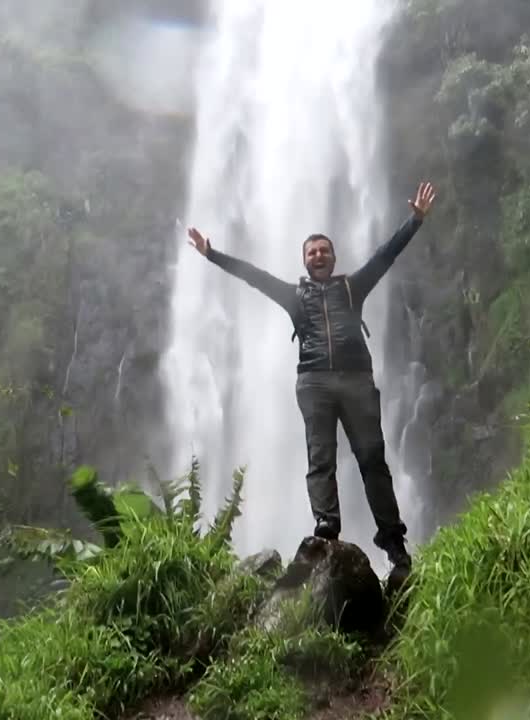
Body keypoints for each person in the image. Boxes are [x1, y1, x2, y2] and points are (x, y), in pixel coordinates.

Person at [185, 181, 437, 579]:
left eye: (324, 250)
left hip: (356, 380)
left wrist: (416, 219)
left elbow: (386, 254)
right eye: (311, 252)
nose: (318, 256)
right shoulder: (293, 296)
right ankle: (327, 530)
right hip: (314, 382)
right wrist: (211, 253)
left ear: (334, 257)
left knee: (373, 462)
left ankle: (394, 544)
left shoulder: (355, 286)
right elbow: (253, 275)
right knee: (320, 461)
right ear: (304, 261)